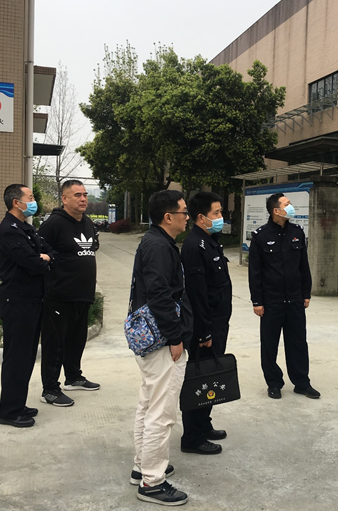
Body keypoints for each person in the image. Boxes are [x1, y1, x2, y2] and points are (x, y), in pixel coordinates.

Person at [129, 190, 192, 506]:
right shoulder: (158, 247)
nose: (187, 217)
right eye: (183, 212)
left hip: (155, 341)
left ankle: (142, 466)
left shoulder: (156, 242)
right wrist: (175, 337)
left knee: (148, 403)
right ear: (168, 217)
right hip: (162, 341)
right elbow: (159, 295)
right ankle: (152, 482)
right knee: (161, 412)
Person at [0, 184, 57, 427]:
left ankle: (18, 403)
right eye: (29, 197)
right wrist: (43, 259)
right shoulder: (8, 231)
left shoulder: (26, 228)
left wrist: (45, 257)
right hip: (17, 302)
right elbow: (34, 263)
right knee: (17, 358)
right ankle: (9, 412)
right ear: (16, 202)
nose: (33, 201)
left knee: (27, 357)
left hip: (32, 300)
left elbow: (50, 253)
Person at [248, 192, 319, 400]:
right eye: (287, 204)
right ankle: (274, 382)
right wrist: (257, 301)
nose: (291, 207)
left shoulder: (297, 232)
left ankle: (301, 382)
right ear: (276, 210)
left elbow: (303, 266)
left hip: (295, 299)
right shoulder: (260, 236)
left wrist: (306, 293)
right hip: (271, 301)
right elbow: (255, 272)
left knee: (298, 343)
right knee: (269, 344)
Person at [38, 180, 100, 407]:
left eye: (85, 195)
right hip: (59, 295)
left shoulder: (88, 222)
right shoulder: (53, 224)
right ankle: (50, 389)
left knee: (77, 340)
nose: (83, 199)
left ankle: (73, 377)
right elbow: (39, 254)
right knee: (55, 344)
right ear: (64, 198)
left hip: (82, 293)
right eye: (77, 195)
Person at [180, 192, 232, 455]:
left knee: (210, 376)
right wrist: (203, 332)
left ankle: (204, 423)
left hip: (217, 324)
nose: (221, 217)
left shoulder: (209, 241)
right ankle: (193, 436)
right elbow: (196, 295)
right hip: (206, 328)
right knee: (199, 379)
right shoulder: (194, 246)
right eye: (217, 213)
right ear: (201, 218)